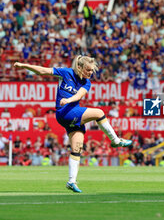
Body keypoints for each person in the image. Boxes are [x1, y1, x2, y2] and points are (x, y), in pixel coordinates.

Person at [14, 55, 132, 193]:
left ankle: (71, 181)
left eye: (91, 70)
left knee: (77, 148)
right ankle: (116, 140)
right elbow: (43, 71)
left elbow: (79, 96)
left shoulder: (86, 82)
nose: (90, 73)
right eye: (88, 70)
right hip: (65, 113)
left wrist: (68, 100)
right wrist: (24, 66)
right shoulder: (66, 72)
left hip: (71, 112)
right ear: (79, 67)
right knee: (99, 113)